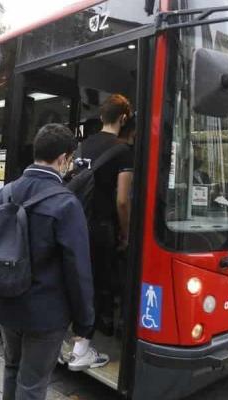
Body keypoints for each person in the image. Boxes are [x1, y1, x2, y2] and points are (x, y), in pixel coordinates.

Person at [0, 124, 103, 400]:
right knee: (33, 383)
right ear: (63, 159)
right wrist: (85, 322)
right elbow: (78, 270)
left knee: (12, 367)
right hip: (46, 314)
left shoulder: (2, 194)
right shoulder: (66, 203)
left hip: (5, 302)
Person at [77, 94, 134, 337]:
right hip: (102, 226)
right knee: (104, 278)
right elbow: (122, 200)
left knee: (82, 275)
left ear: (101, 116)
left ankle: (78, 324)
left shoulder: (83, 145)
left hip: (77, 222)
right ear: (123, 118)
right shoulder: (123, 151)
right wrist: (126, 233)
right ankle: (100, 327)